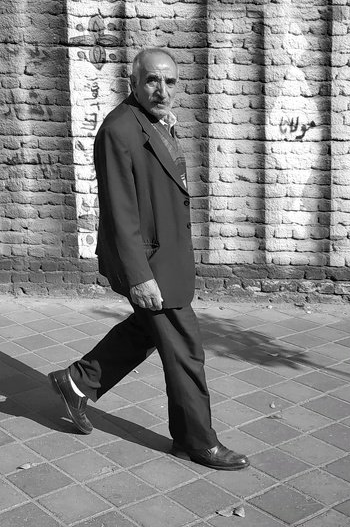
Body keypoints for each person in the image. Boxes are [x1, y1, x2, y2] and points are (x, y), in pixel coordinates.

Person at [49, 48, 249, 471]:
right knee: (186, 351)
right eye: (152, 81)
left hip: (167, 257)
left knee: (145, 330)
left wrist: (168, 134)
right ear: (133, 82)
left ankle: (77, 382)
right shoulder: (119, 130)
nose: (162, 90)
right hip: (151, 263)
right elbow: (120, 211)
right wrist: (140, 276)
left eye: (170, 82)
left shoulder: (154, 122)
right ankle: (199, 442)